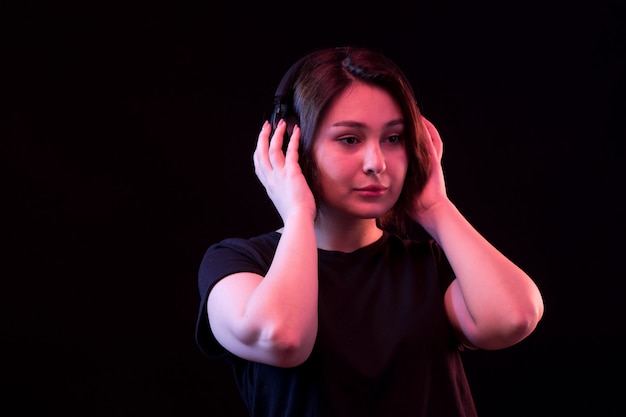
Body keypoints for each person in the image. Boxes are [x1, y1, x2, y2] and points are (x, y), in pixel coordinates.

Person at [195, 46, 544, 417]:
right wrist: (298, 211)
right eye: (349, 139)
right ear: (292, 144)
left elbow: (514, 317)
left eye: (393, 138)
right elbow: (283, 338)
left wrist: (435, 209)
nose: (376, 163)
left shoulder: (429, 266)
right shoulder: (239, 264)